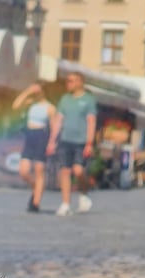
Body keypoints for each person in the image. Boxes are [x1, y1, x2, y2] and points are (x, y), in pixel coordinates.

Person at [46, 71, 97, 216]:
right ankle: (65, 203)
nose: (68, 83)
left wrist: (89, 143)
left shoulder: (88, 100)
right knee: (65, 171)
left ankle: (84, 193)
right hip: (65, 139)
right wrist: (52, 141)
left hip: (81, 141)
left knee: (78, 171)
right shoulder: (65, 100)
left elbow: (91, 121)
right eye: (67, 81)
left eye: (72, 81)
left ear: (80, 82)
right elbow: (58, 120)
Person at [12, 82, 56, 212]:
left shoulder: (50, 107)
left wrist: (52, 143)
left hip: (41, 136)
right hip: (30, 135)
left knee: (39, 169)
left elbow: (54, 126)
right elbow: (15, 106)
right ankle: (36, 188)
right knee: (24, 171)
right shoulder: (31, 103)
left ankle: (35, 203)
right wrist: (27, 91)